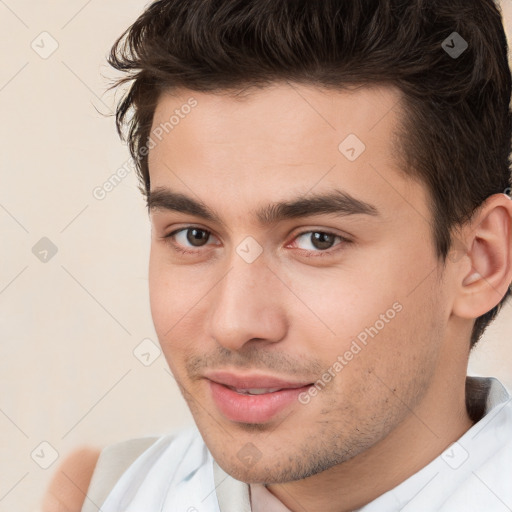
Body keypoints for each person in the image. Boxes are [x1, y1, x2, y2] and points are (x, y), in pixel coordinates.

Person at [42, 0, 512, 510]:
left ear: (479, 262)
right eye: (194, 236)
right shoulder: (111, 491)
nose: (234, 324)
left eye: (318, 240)